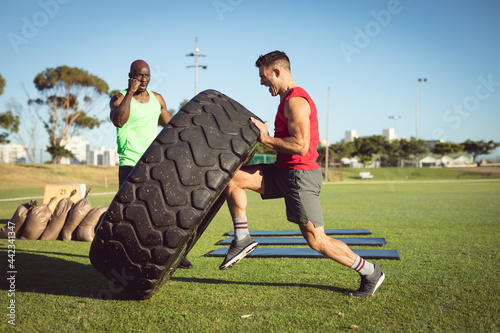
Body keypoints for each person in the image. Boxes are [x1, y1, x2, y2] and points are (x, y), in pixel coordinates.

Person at [219, 51, 385, 297]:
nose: (261, 82)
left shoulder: (295, 101)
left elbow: (300, 146)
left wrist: (266, 138)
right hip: (282, 171)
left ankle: (371, 272)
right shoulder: (284, 99)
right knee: (233, 178)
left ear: (277, 71)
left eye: (264, 76)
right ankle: (242, 239)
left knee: (317, 241)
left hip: (300, 176)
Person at [110, 59, 193, 269]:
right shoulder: (119, 98)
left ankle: (175, 254)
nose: (143, 79)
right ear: (131, 76)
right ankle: (127, 258)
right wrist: (130, 92)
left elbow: (172, 125)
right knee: (129, 214)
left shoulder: (157, 99)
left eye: (146, 75)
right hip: (130, 162)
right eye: (139, 75)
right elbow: (119, 121)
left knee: (164, 210)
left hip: (153, 163)